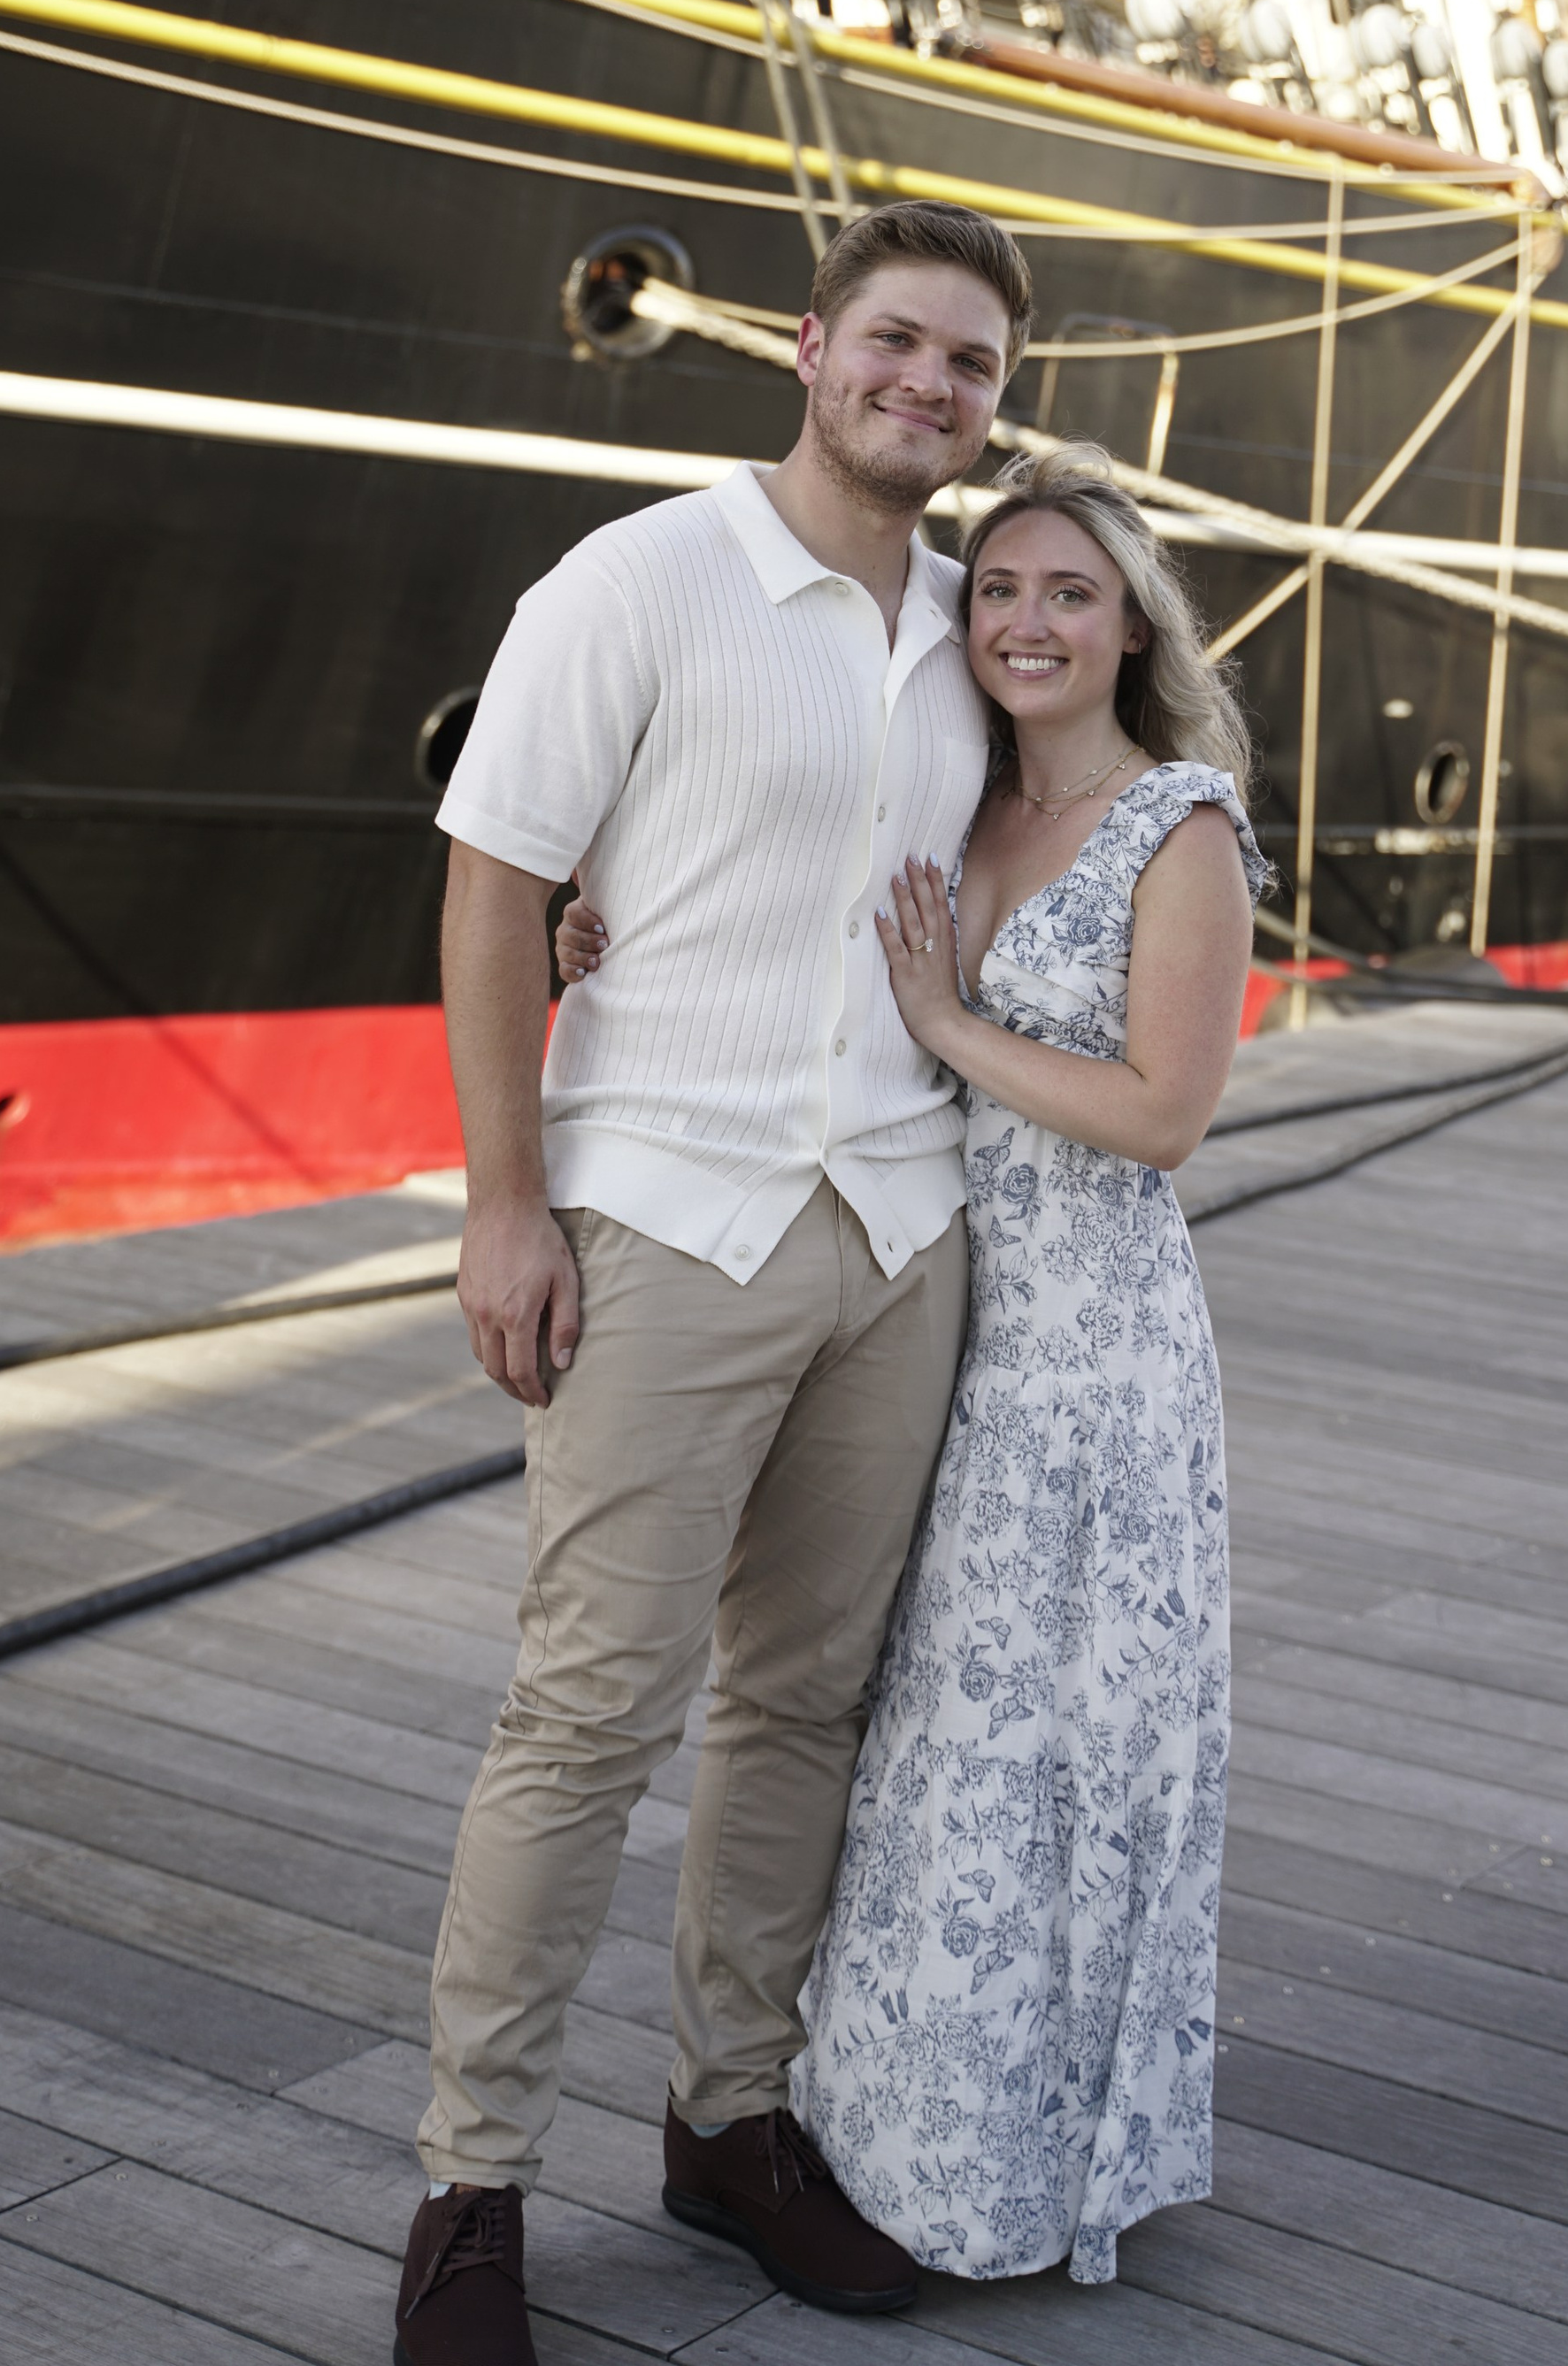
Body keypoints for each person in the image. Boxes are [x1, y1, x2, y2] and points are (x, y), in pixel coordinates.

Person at [394, 199, 1034, 2366]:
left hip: (895, 1229)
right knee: (583, 1711)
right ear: (805, 344)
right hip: (662, 1213)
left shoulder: (976, 628)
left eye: (966, 365)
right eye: (896, 344)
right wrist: (505, 1199)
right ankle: (470, 2187)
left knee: (802, 1708)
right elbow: (494, 888)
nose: (925, 387)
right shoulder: (637, 579)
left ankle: (726, 2116)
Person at [559, 444, 1267, 2285]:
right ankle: (878, 2122)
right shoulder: (960, 808)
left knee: (1049, 1746)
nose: (1027, 621)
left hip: (1084, 1355)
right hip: (932, 1304)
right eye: (1005, 591)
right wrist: (604, 918)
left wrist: (950, 1015)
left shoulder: (1171, 821)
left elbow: (1165, 1112)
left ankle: (1023, 2149)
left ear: (1130, 631)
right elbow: (796, 919)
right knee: (923, 1740)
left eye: (1071, 595)